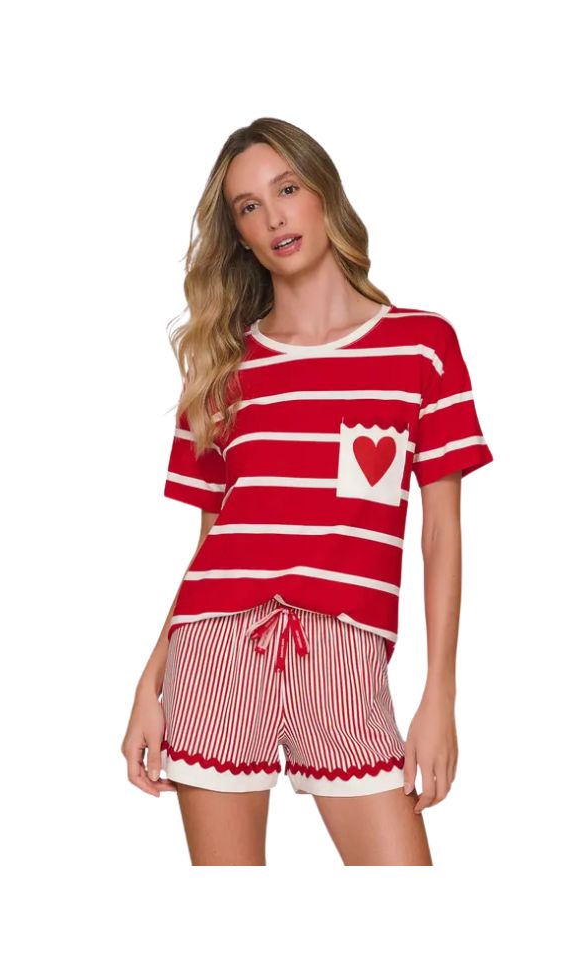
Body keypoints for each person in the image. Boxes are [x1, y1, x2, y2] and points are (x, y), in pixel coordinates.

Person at [121, 117, 493, 865]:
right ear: (239, 235)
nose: (274, 216)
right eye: (249, 206)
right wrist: (149, 682)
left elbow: (440, 533)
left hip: (347, 654)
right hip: (216, 652)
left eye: (287, 189)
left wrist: (440, 695)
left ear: (323, 191)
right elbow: (212, 544)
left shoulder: (421, 347)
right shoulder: (224, 367)